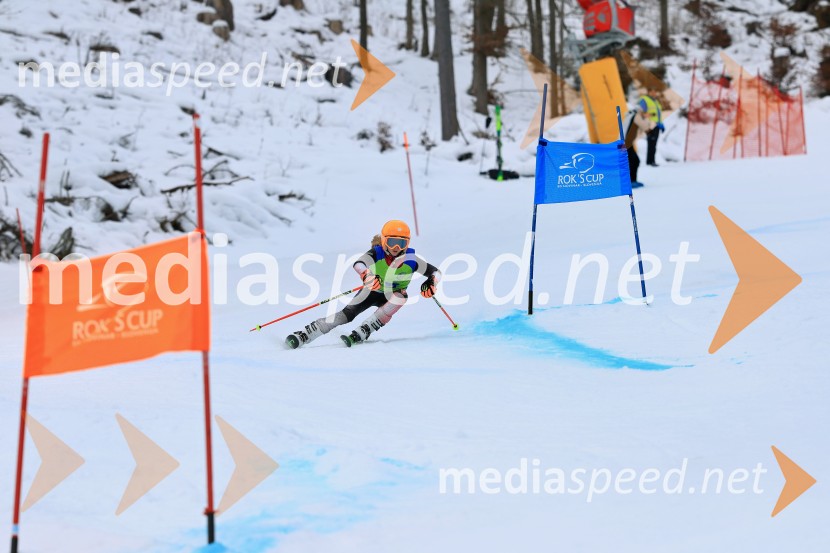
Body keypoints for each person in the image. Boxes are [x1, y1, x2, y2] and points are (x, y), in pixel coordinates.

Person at [286, 220, 441, 348]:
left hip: (392, 297)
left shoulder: (411, 260)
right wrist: (367, 275)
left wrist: (431, 282)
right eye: (392, 242)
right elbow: (359, 263)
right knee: (345, 316)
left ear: (407, 243)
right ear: (384, 240)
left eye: (401, 243)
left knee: (401, 296)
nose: (396, 248)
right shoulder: (377, 253)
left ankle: (366, 328)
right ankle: (306, 334)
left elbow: (436, 272)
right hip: (370, 292)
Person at [622, 101, 656, 188]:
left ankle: (632, 180)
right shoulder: (636, 115)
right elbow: (645, 127)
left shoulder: (632, 114)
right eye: (646, 112)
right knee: (633, 161)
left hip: (627, 143)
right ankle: (630, 181)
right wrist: (654, 124)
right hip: (625, 143)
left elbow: (640, 131)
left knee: (634, 161)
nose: (648, 114)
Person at [638, 88, 665, 166]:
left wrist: (661, 124)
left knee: (654, 144)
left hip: (656, 125)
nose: (654, 93)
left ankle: (652, 160)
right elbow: (641, 113)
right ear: (649, 92)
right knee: (651, 143)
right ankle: (650, 162)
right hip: (649, 125)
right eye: (652, 92)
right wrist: (649, 115)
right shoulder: (644, 100)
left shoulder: (655, 101)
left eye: (655, 92)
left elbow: (658, 114)